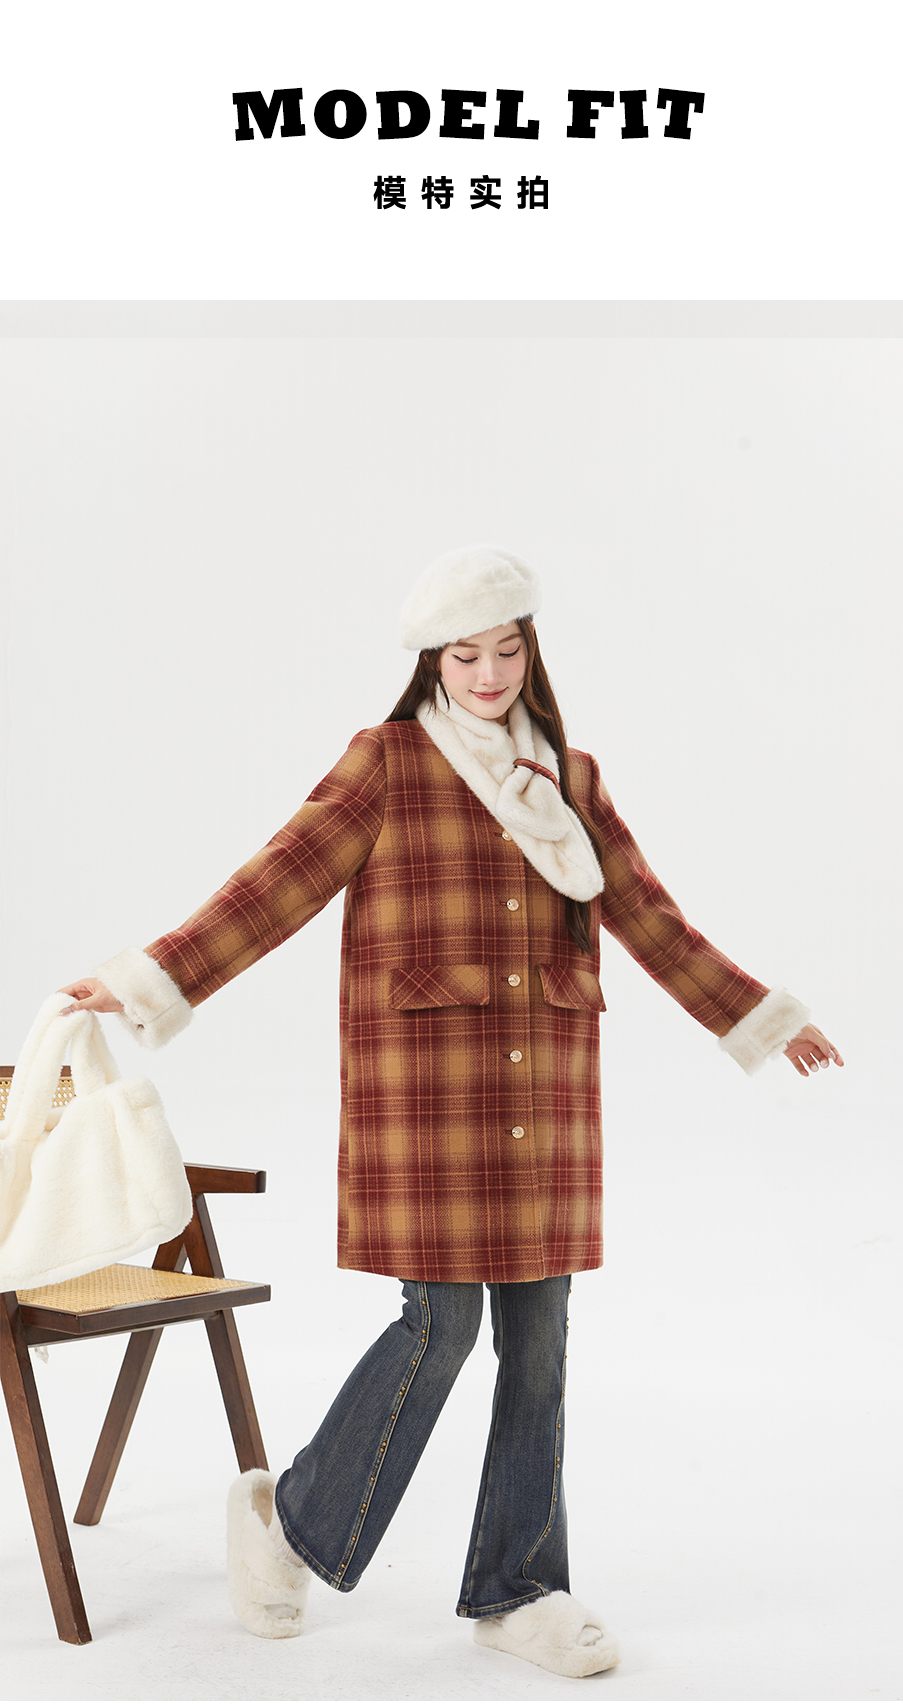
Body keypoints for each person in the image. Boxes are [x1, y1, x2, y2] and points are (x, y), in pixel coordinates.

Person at [60, 545, 842, 1678]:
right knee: (441, 1327)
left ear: (531, 651)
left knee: (539, 1343)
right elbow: (277, 881)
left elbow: (647, 914)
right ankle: (286, 1520)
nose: (487, 674)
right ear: (432, 659)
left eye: (506, 650)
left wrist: (758, 1016)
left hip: (545, 1099)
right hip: (426, 1099)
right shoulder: (386, 762)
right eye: (464, 654)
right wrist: (148, 977)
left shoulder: (571, 778)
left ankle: (518, 1585)